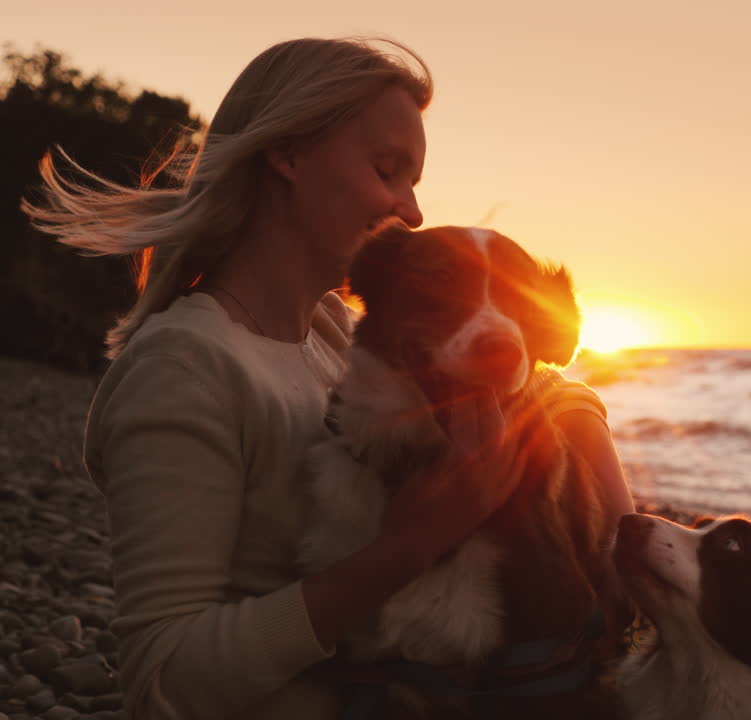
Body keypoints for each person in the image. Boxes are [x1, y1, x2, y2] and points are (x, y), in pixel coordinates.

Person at [23, 36, 634, 720]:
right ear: (287, 154)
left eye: (415, 183)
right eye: (387, 170)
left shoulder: (328, 330)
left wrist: (622, 531)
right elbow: (163, 681)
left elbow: (539, 382)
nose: (412, 211)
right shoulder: (185, 367)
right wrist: (406, 547)